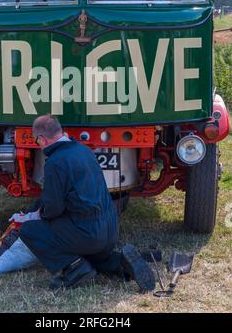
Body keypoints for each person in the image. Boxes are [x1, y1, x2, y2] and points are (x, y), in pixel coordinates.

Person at [15, 114, 155, 291]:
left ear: (41, 139)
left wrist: (34, 217)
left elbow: (53, 209)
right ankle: (119, 263)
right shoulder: (84, 150)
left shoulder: (55, 163)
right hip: (110, 230)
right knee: (89, 254)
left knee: (29, 230)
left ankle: (75, 270)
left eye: (37, 141)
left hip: (88, 233)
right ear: (61, 132)